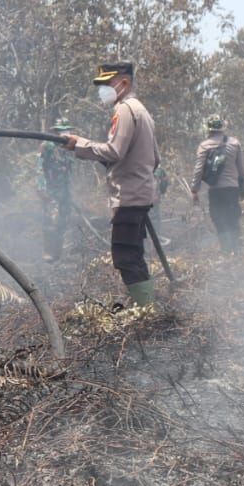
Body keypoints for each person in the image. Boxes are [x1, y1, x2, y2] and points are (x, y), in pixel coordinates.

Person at [63, 61, 160, 307]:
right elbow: (154, 159)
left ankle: (146, 310)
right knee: (133, 254)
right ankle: (146, 306)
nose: (103, 89)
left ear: (124, 83)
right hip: (138, 194)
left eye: (107, 84)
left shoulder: (125, 109)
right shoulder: (142, 111)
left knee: (125, 256)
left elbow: (115, 151)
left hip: (129, 196)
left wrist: (79, 144)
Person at [190, 114, 244, 254]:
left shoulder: (205, 145)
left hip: (216, 191)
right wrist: (243, 188)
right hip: (233, 189)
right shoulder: (234, 143)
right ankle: (237, 250)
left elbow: (198, 170)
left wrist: (194, 189)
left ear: (208, 129)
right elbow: (241, 169)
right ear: (223, 128)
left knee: (219, 220)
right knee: (233, 218)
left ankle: (227, 251)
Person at [38, 118, 74, 262]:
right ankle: (48, 252)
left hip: (65, 191)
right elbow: (39, 167)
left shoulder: (67, 148)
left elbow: (69, 170)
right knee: (50, 221)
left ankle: (57, 253)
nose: (64, 133)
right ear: (55, 131)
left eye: (66, 130)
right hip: (50, 191)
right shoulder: (46, 146)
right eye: (61, 130)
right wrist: (41, 188)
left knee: (63, 221)